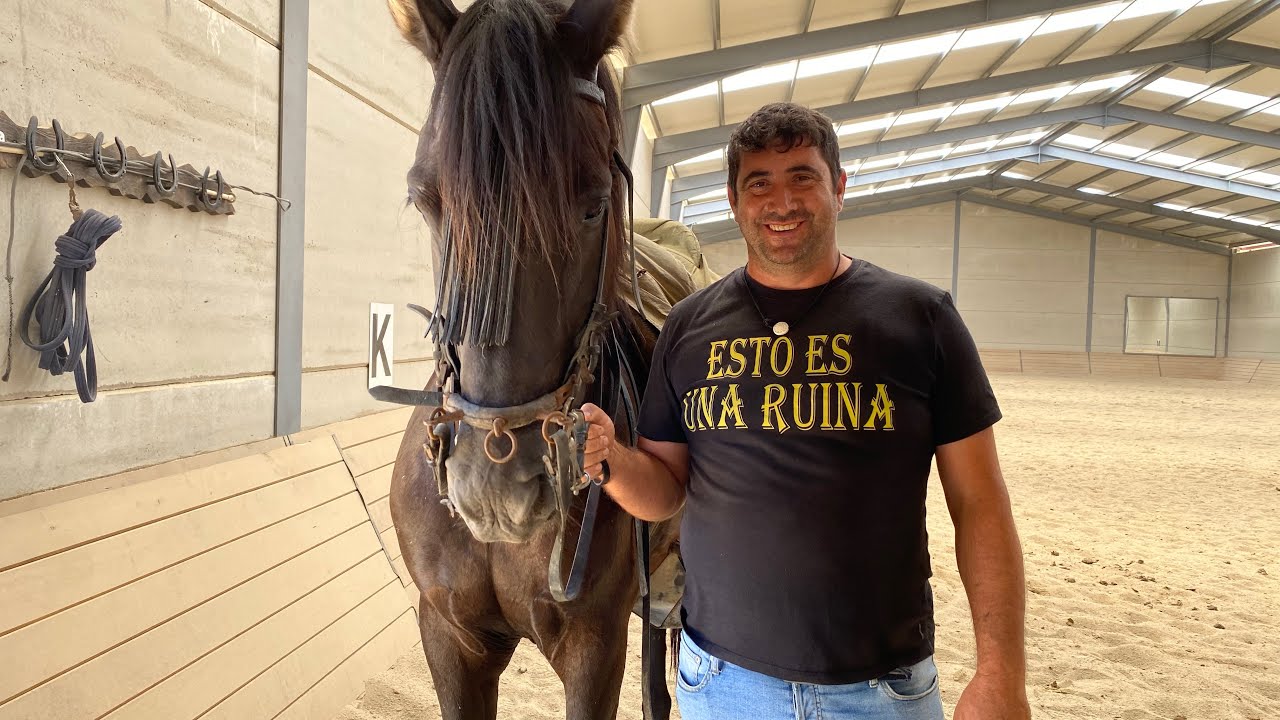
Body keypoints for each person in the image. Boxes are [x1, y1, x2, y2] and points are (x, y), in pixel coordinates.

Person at [581, 102, 1029, 720]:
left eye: (802, 177)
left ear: (839, 188)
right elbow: (664, 489)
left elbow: (979, 503)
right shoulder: (688, 329)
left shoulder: (920, 318)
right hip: (720, 684)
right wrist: (610, 461)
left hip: (880, 691)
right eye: (758, 183)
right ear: (736, 204)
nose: (781, 201)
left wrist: (1001, 674)